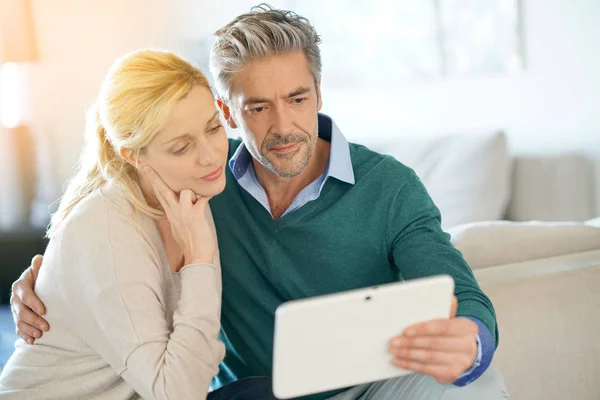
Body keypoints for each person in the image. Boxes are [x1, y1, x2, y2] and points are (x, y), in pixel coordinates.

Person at [11, 4, 509, 400]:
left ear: (319, 92)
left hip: (369, 388)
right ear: (226, 110)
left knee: (477, 384)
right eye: (258, 108)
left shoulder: (390, 188)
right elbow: (116, 243)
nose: (285, 127)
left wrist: (471, 339)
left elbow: (461, 289)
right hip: (250, 394)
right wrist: (49, 279)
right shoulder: (201, 181)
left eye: (297, 99)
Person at [0, 49, 276, 400]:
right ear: (132, 155)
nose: (210, 154)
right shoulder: (107, 231)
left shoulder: (192, 188)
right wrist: (200, 260)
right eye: (180, 147)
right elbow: (177, 393)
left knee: (261, 392)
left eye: (212, 128)